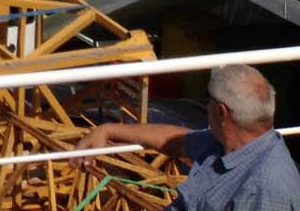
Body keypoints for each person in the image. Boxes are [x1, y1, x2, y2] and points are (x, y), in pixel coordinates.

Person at [79, 63, 300, 211]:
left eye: (207, 98)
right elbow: (178, 141)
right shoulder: (233, 143)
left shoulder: (268, 188)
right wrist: (108, 130)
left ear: (221, 111)